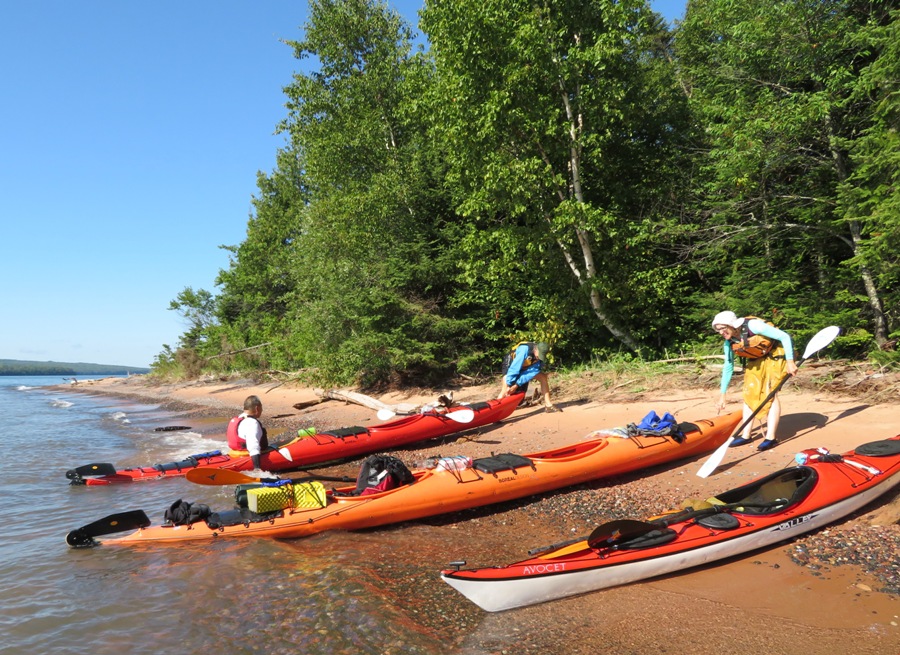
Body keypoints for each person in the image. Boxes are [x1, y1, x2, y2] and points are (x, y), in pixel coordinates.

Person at [712, 311, 799, 451]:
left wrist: (790, 362)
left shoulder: (754, 326)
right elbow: (728, 367)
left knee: (771, 392)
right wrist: (722, 394)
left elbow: (784, 336)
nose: (721, 332)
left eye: (723, 328)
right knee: (749, 392)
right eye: (718, 329)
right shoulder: (728, 342)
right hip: (758, 358)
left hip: (777, 354)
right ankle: (746, 435)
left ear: (732, 325)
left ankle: (771, 438)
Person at [498, 341, 559, 412]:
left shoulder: (540, 359)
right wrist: (509, 384)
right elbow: (515, 368)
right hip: (511, 364)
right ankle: (496, 412)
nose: (539, 358)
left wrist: (517, 385)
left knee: (543, 377)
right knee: (505, 388)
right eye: (539, 355)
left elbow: (530, 373)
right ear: (536, 349)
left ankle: (548, 405)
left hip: (525, 366)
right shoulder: (524, 350)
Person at [226, 395, 269, 469]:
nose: (262, 410)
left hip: (235, 454)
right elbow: (253, 447)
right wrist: (257, 470)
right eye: (261, 408)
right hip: (246, 457)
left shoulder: (240, 418)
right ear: (257, 408)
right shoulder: (252, 423)